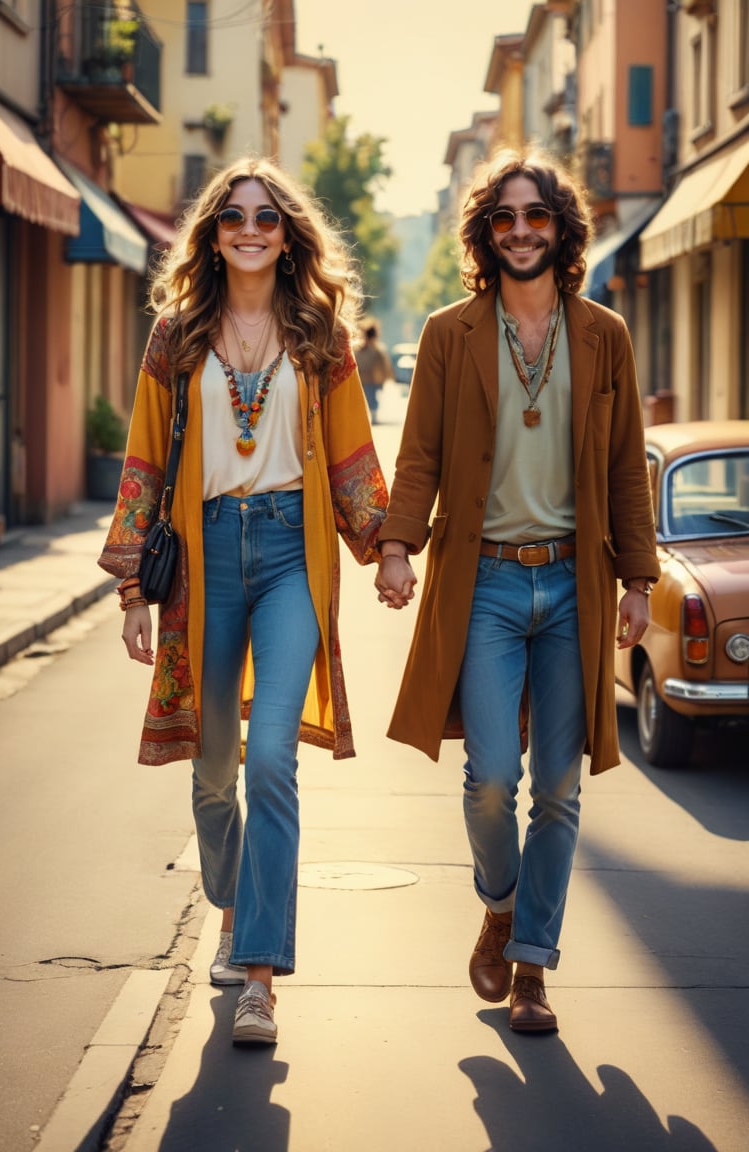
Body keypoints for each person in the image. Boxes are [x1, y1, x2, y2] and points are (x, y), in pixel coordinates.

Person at [98, 157, 388, 1045]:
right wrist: (131, 593)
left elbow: (349, 457)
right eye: (234, 217)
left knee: (272, 761)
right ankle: (230, 904)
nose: (251, 228)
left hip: (292, 556)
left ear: (288, 232)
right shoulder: (175, 336)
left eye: (267, 216)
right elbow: (145, 458)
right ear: (214, 235)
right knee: (213, 765)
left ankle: (260, 972)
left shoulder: (319, 334)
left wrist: (388, 547)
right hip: (206, 553)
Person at [374, 149, 659, 1033]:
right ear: (486, 233)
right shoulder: (449, 334)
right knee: (491, 779)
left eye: (537, 216)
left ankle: (533, 963)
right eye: (505, 218)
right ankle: (499, 902)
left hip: (577, 581)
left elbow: (623, 473)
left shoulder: (604, 334)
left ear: (561, 229)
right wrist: (395, 545)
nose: (522, 230)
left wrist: (640, 579)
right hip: (486, 585)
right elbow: (418, 451)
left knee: (561, 790)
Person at [354, 321, 392, 423]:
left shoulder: (375, 350)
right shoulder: (361, 349)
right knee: (366, 398)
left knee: (371, 398)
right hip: (364, 378)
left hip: (371, 379)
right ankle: (368, 416)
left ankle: (372, 415)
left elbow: (382, 366)